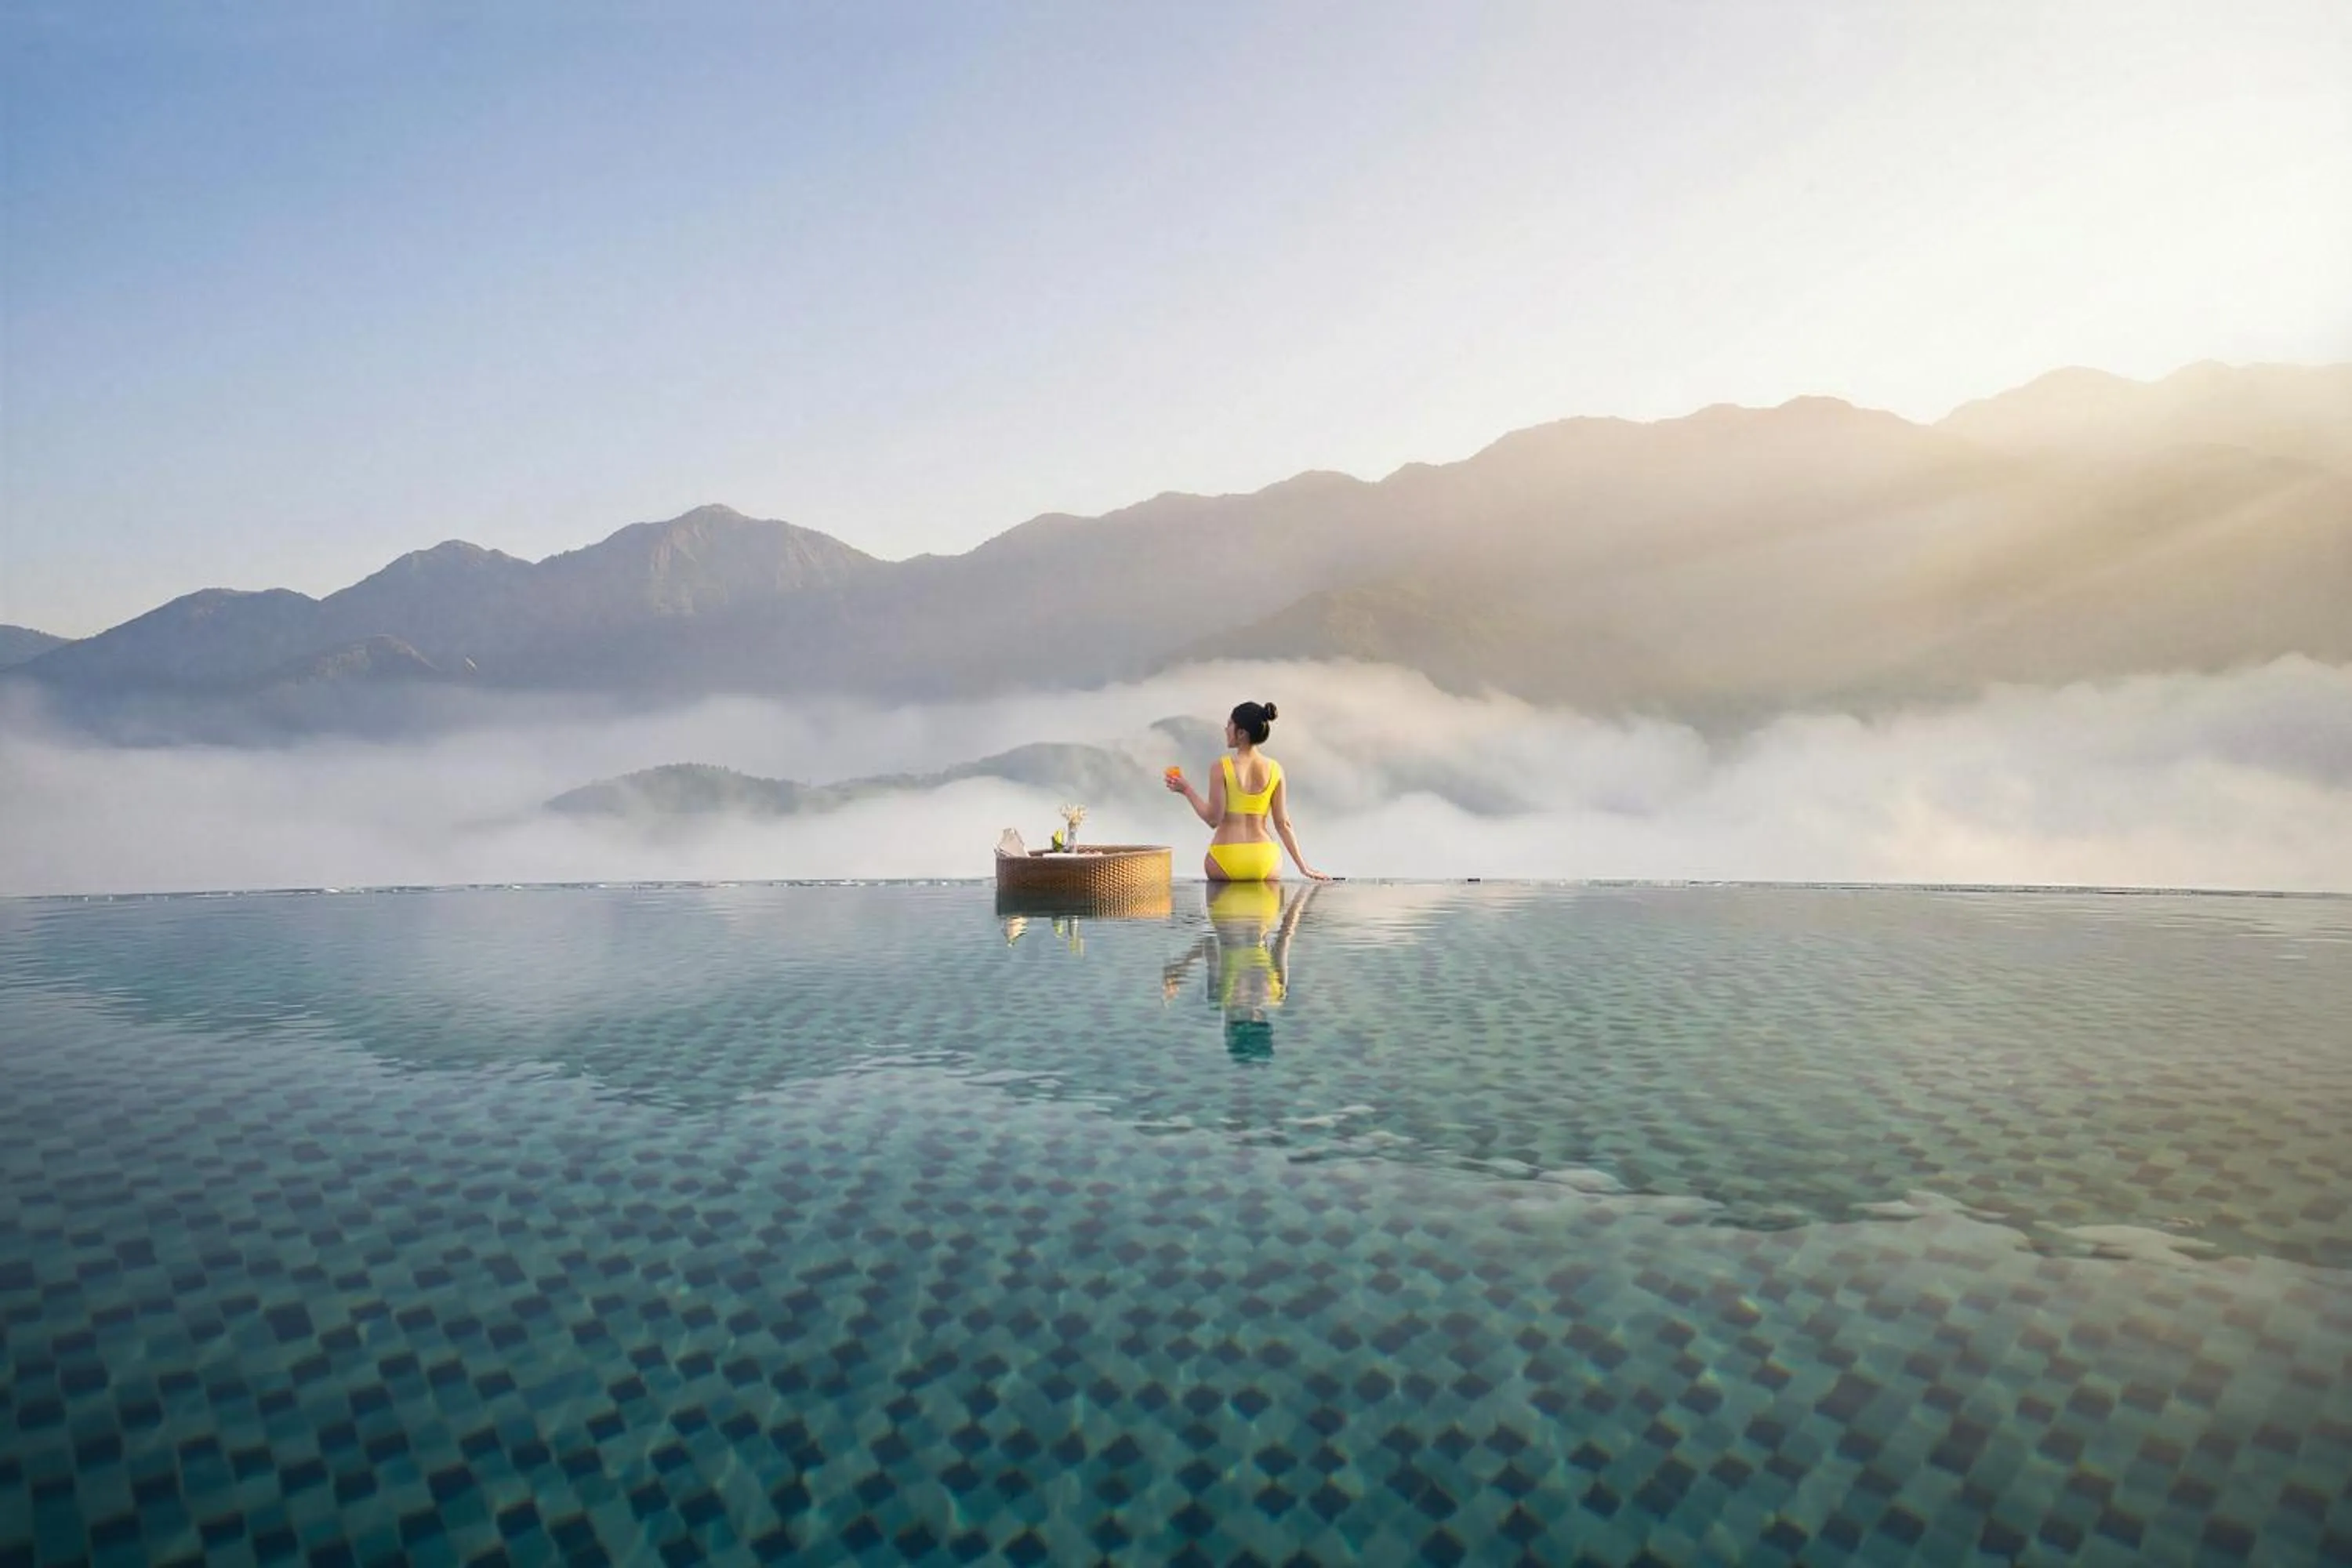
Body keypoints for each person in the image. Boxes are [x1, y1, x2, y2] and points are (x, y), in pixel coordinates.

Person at [1164, 699, 1332, 882]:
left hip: (1225, 858)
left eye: (1230, 724)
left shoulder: (1221, 767)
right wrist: (1304, 867)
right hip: (1265, 860)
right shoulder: (1276, 770)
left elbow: (1213, 820)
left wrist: (1186, 789)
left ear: (1242, 733)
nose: (1226, 729)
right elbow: (1283, 824)